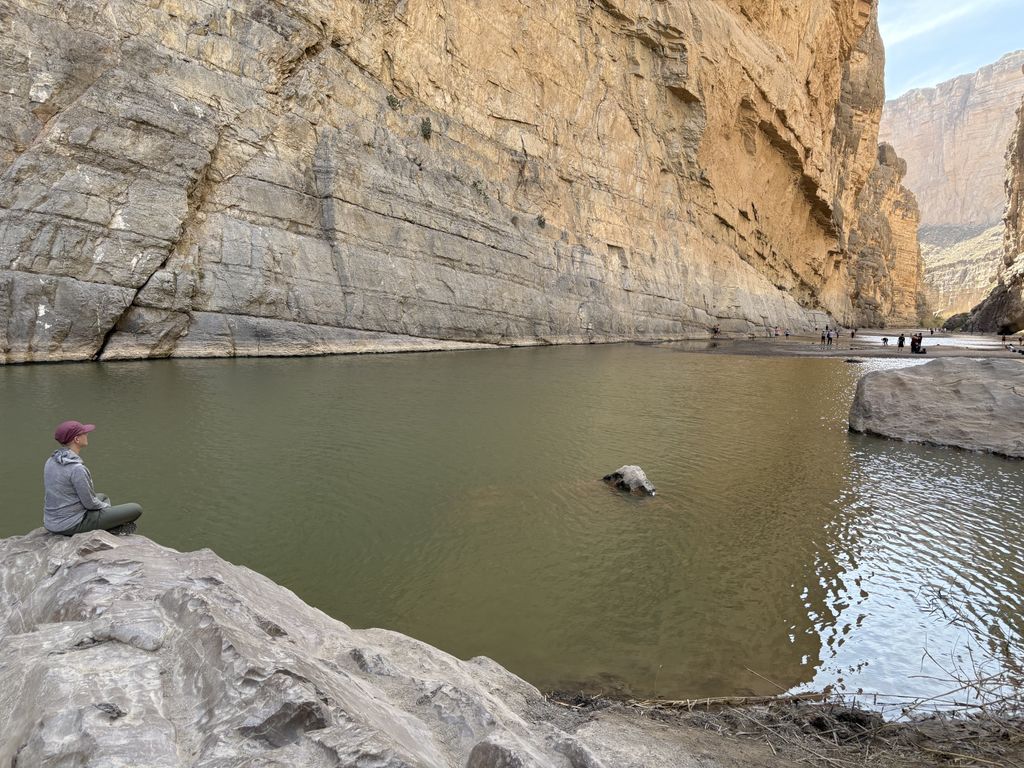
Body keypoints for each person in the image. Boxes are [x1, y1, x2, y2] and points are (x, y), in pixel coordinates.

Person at [43, 420, 142, 536]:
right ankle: (111, 527)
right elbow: (89, 504)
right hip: (71, 524)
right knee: (136, 509)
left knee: (103, 497)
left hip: (51, 522)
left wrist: (104, 508)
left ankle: (109, 523)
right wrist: (105, 509)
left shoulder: (51, 460)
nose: (87, 435)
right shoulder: (77, 469)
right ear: (76, 439)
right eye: (84, 433)